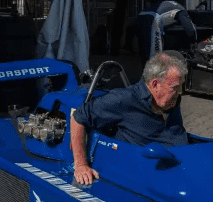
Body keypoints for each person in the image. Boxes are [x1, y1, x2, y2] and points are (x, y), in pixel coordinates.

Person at [71, 51, 188, 186]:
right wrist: (80, 165)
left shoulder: (171, 100)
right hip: (149, 177)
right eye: (175, 87)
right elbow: (78, 117)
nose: (180, 92)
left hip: (182, 167)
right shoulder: (124, 100)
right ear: (155, 84)